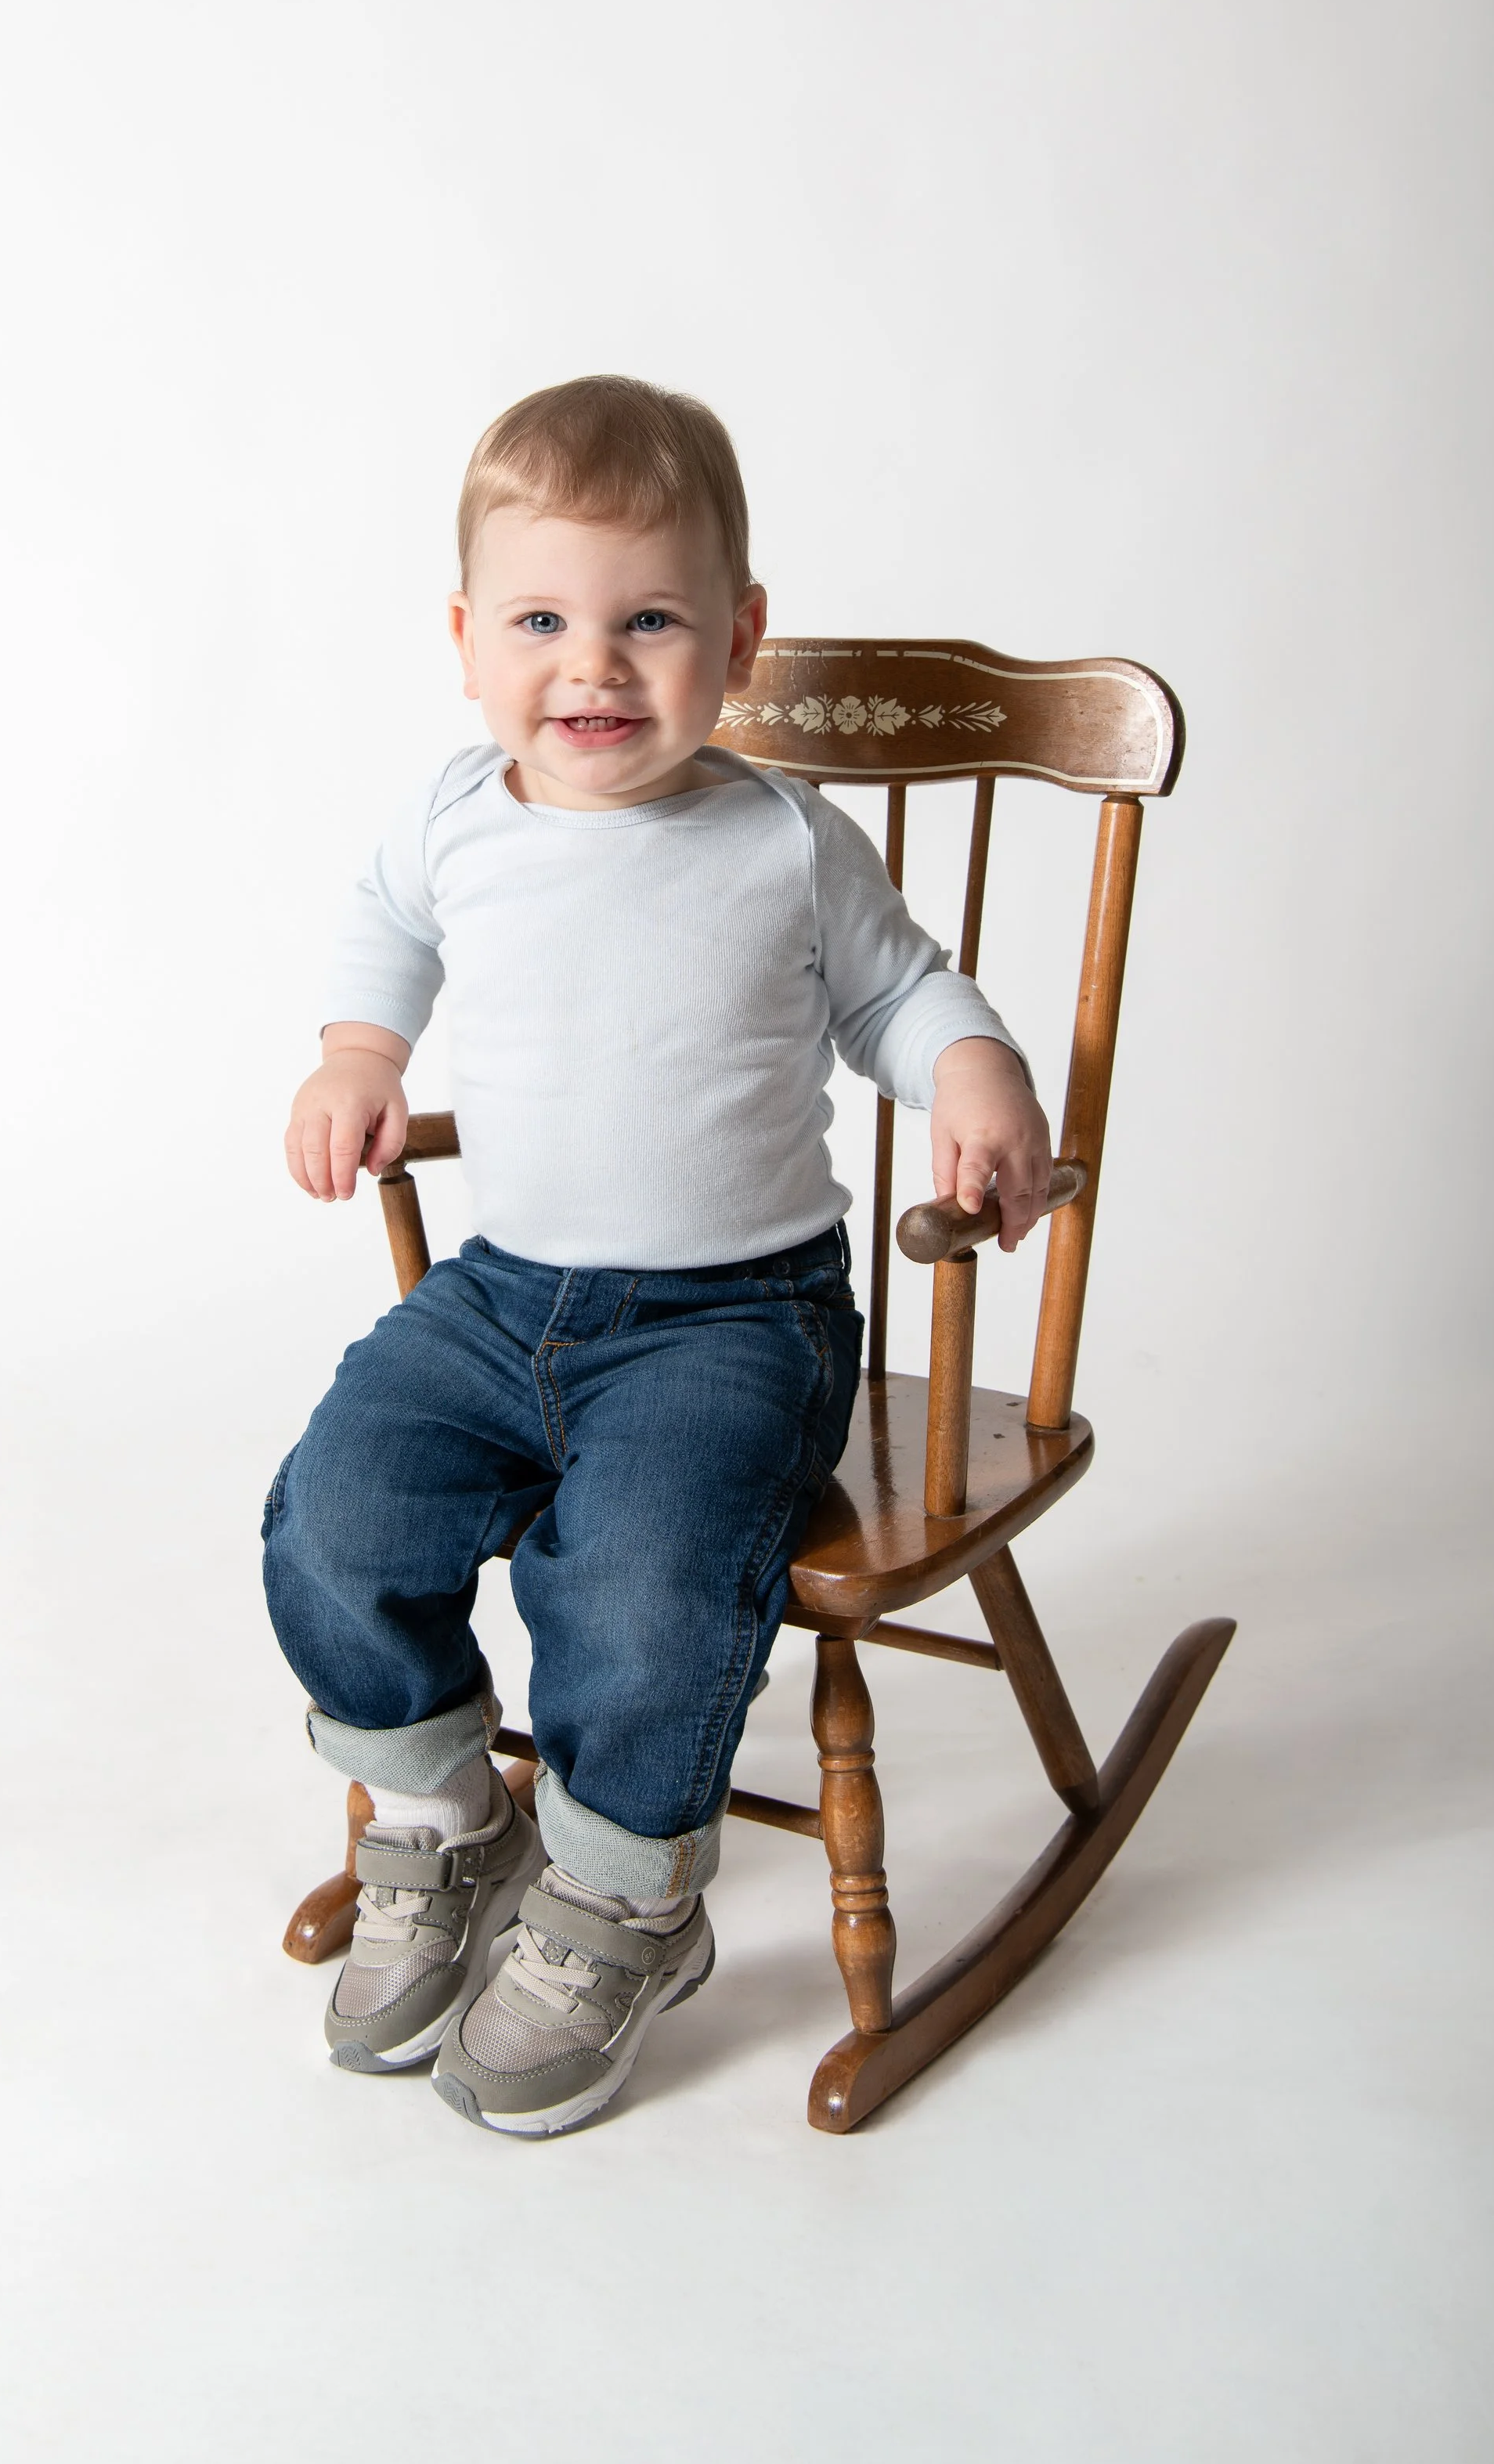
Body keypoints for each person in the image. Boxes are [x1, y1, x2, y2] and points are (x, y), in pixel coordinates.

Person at [263, 375, 1052, 2136]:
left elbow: (902, 989)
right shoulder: (455, 816)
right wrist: (358, 1053)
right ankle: (441, 1812)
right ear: (467, 639)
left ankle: (623, 1893)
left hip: (731, 1318)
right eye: (540, 621)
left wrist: (976, 1068)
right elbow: (385, 924)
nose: (592, 668)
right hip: (497, 1291)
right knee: (336, 1514)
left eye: (649, 622)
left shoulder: (780, 840)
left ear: (739, 637)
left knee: (635, 1583)